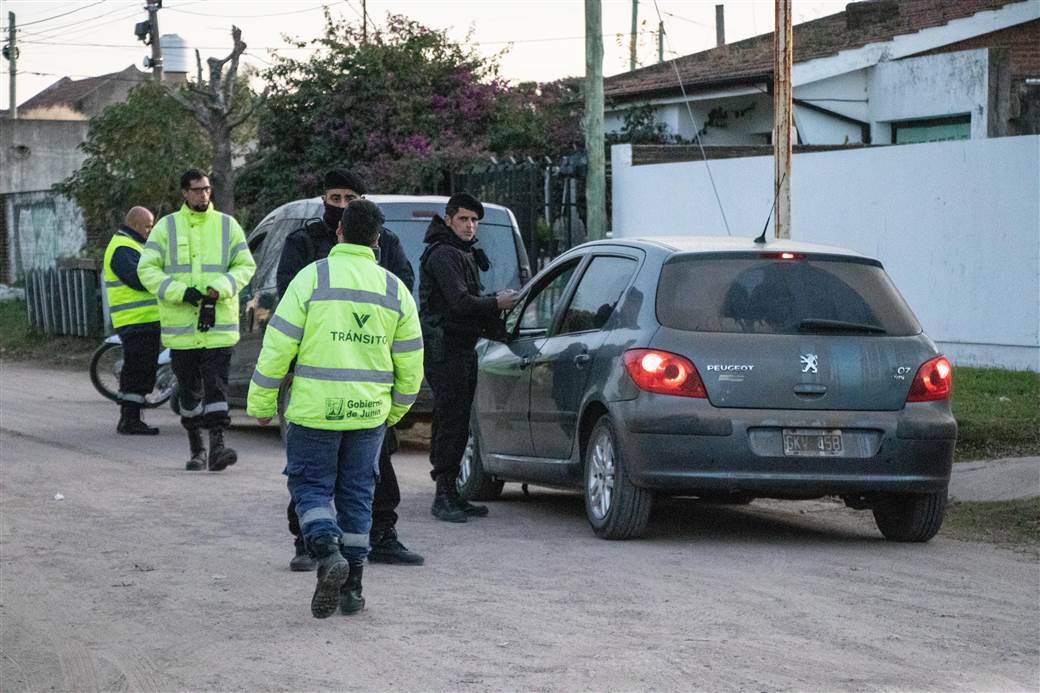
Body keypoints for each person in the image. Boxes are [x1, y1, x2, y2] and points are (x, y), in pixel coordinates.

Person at [247, 199, 423, 619]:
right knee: (358, 497)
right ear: (378, 241)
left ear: (340, 231)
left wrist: (261, 402)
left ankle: (326, 553)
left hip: (314, 412)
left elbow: (278, 345)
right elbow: (412, 361)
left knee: (310, 488)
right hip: (368, 415)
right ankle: (353, 591)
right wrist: (394, 410)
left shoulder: (312, 278)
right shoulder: (393, 289)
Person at [276, 169, 423, 570]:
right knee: (315, 471)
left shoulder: (387, 243)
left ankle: (381, 536)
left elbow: (404, 300)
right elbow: (286, 310)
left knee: (372, 472)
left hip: (367, 381)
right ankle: (309, 545)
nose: (340, 205)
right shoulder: (303, 242)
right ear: (323, 198)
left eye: (348, 198)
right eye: (334, 197)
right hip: (317, 380)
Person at [138, 169, 256, 471]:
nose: (203, 195)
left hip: (217, 325)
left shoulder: (227, 226)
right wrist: (180, 292)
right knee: (189, 391)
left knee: (216, 388)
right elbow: (147, 269)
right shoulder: (166, 228)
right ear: (184, 193)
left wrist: (222, 287)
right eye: (196, 190)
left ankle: (218, 446)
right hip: (183, 330)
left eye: (206, 189)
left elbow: (245, 265)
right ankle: (196, 449)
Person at [418, 192, 518, 522]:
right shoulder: (444, 254)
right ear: (448, 220)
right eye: (463, 219)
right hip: (445, 350)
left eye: (474, 220)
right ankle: (443, 493)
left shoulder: (462, 252)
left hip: (460, 348)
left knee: (459, 422)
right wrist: (496, 303)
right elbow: (460, 303)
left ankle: (453, 492)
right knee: (450, 422)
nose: (470, 225)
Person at [102, 206, 161, 435]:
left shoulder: (132, 245)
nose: (151, 230)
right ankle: (130, 419)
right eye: (148, 226)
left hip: (143, 321)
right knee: (137, 370)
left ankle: (132, 417)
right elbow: (138, 279)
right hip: (136, 321)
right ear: (135, 225)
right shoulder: (123, 247)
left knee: (141, 369)